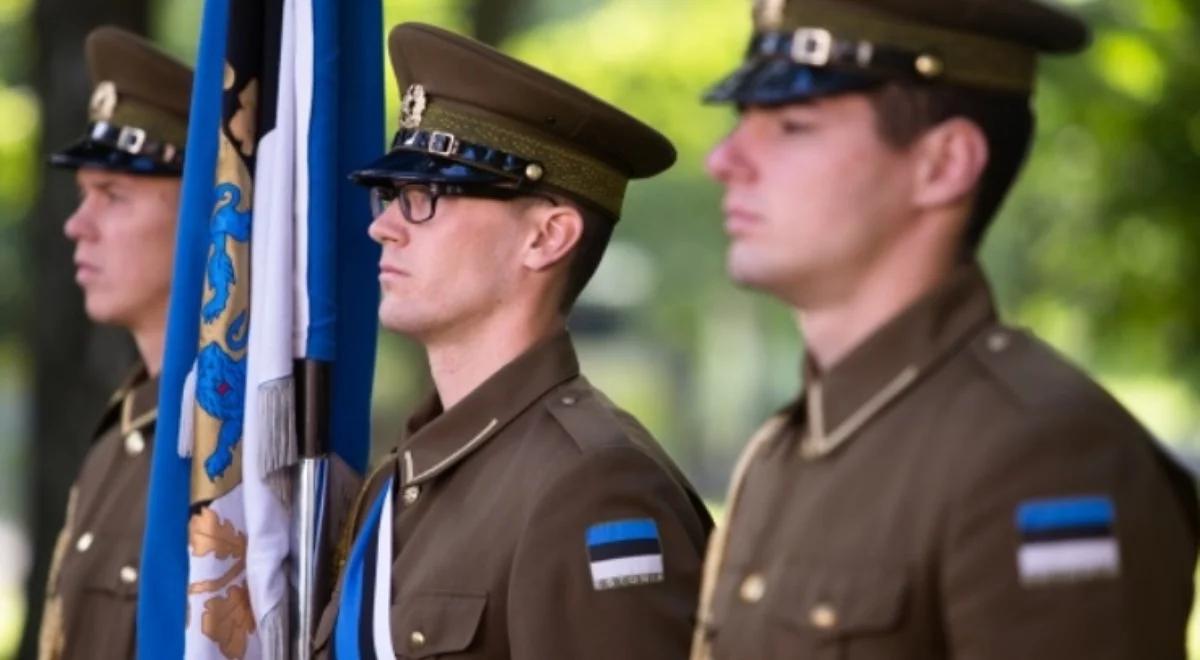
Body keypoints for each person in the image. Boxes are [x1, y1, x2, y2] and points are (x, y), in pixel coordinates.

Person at [691, 0, 1199, 658]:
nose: (725, 160)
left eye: (793, 126)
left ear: (944, 163)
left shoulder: (1046, 454)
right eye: (742, 124)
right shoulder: (782, 451)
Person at [312, 23, 713, 659]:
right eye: (391, 196)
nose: (384, 227)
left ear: (547, 238)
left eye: (429, 196)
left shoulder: (595, 483)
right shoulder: (406, 473)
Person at [36, 26, 190, 660]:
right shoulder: (122, 434)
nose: (77, 226)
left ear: (212, 209)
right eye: (82, 196)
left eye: (113, 196)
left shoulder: (236, 447)